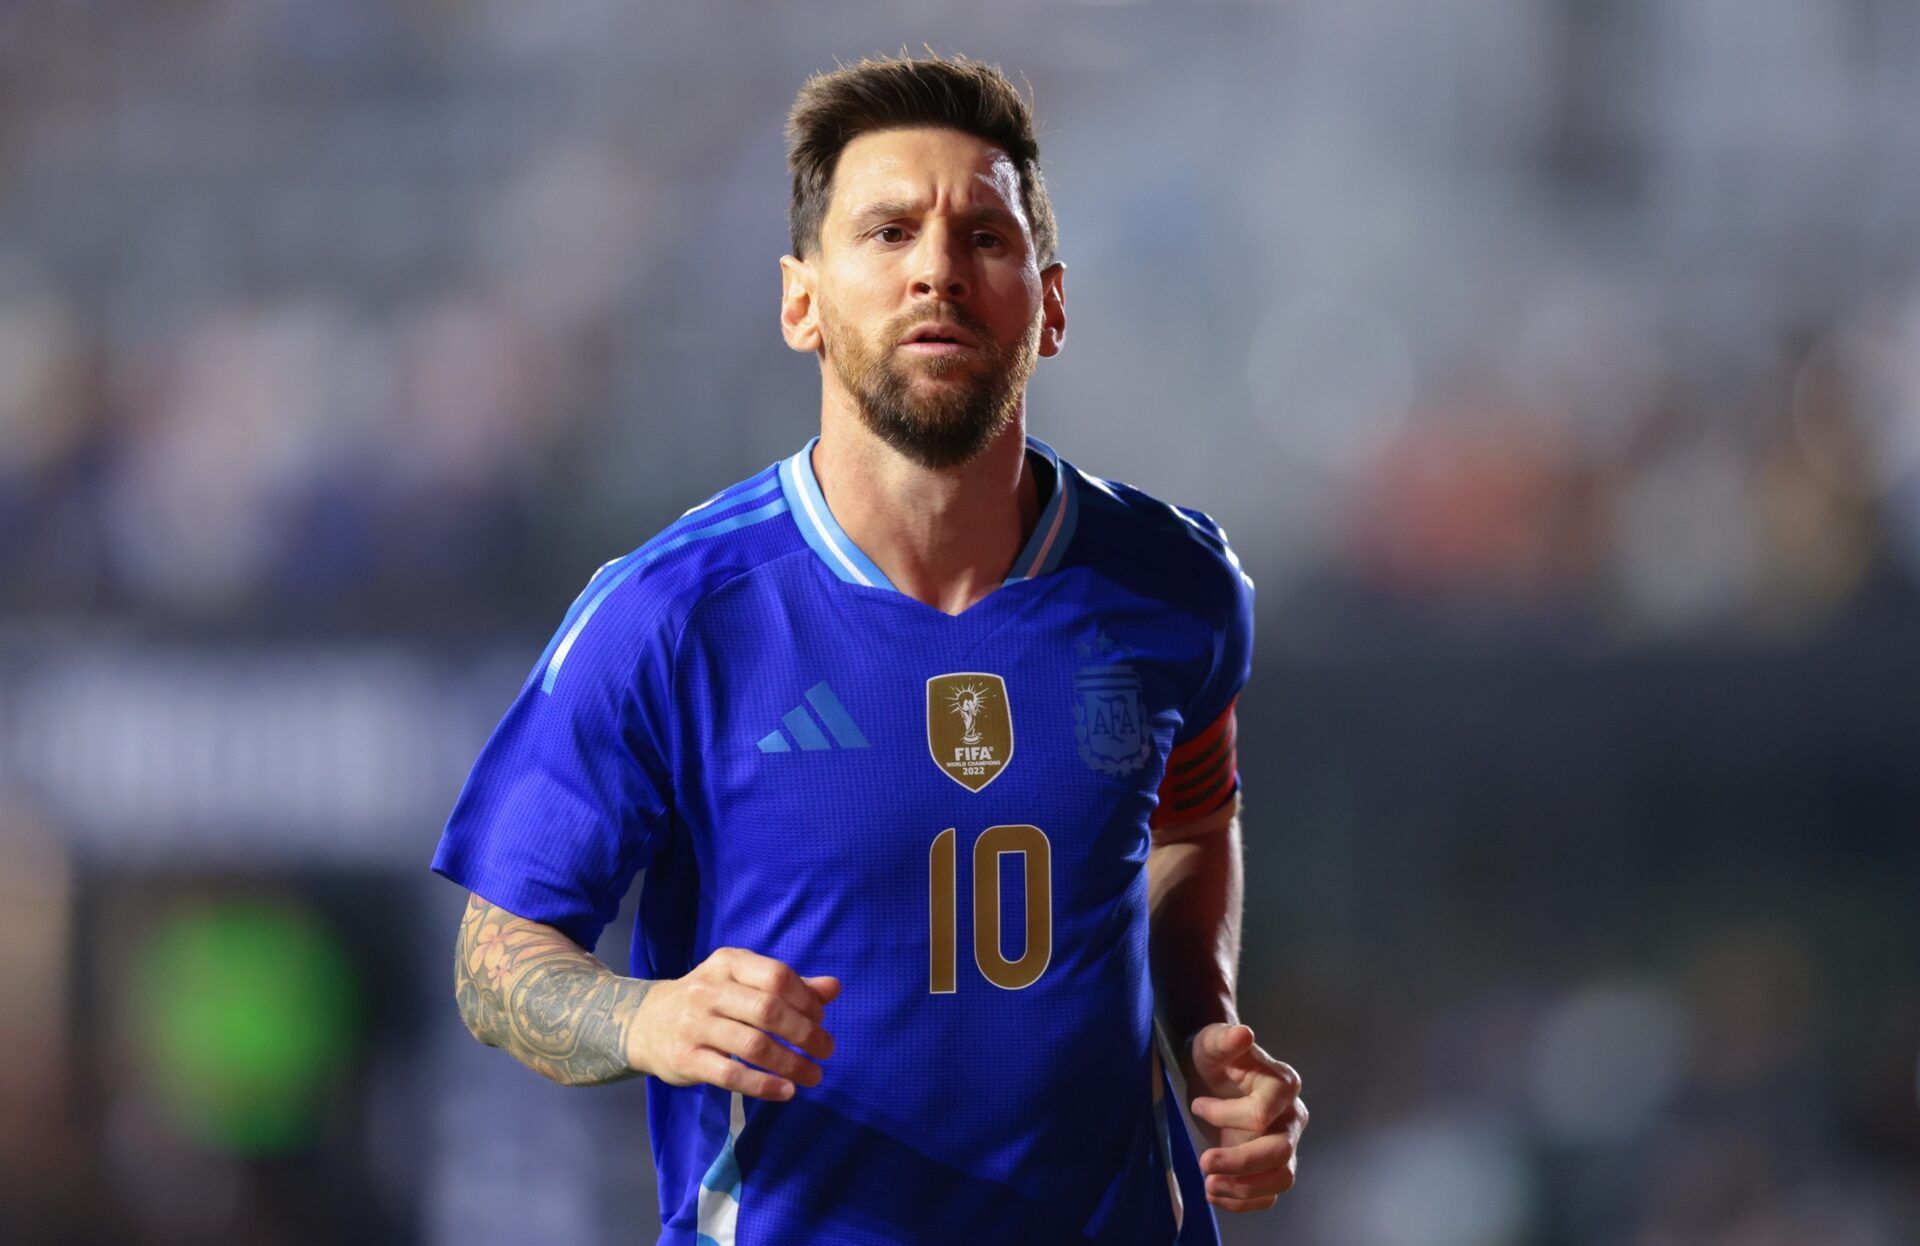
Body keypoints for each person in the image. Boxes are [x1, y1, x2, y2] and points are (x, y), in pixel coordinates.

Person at [432, 51, 1307, 1246]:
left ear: (1050, 302)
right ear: (802, 301)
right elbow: (495, 959)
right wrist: (646, 1019)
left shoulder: (1175, 587)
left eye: (983, 237)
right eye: (888, 232)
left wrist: (1205, 1026)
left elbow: (1189, 822)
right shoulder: (674, 615)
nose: (937, 269)